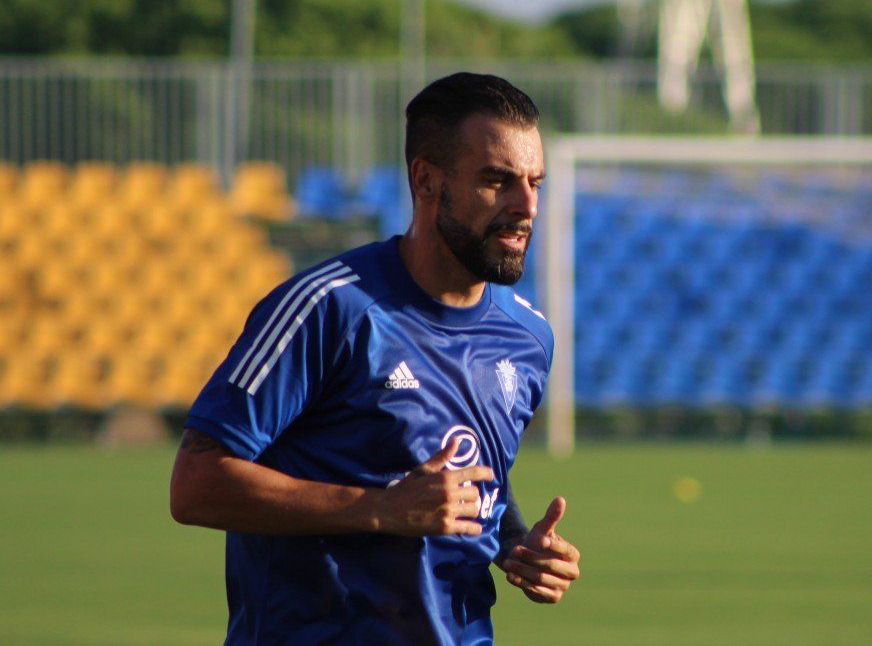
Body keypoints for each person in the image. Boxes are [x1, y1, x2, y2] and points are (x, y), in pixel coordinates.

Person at [169, 72, 581, 644]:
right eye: (498, 181)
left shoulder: (528, 337)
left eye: (536, 182)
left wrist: (514, 543)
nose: (527, 205)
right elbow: (194, 484)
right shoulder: (328, 309)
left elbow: (479, 474)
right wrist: (378, 508)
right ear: (426, 180)